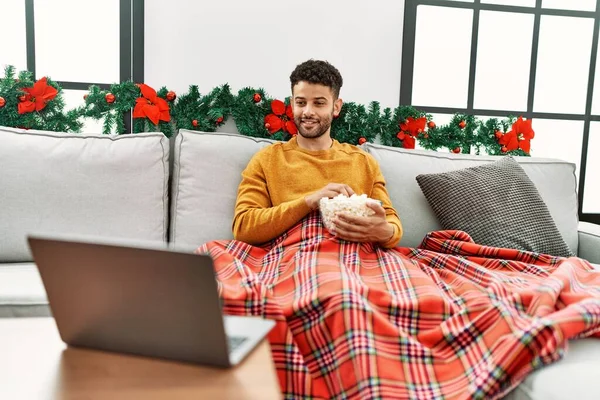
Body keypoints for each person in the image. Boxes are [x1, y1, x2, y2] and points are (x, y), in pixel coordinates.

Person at [232, 59, 403, 248]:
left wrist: (385, 231)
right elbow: (244, 227)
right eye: (301, 102)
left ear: (336, 107)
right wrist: (310, 201)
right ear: (292, 104)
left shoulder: (363, 162)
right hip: (293, 256)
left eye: (319, 103)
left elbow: (391, 223)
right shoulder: (267, 159)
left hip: (354, 257)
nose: (307, 112)